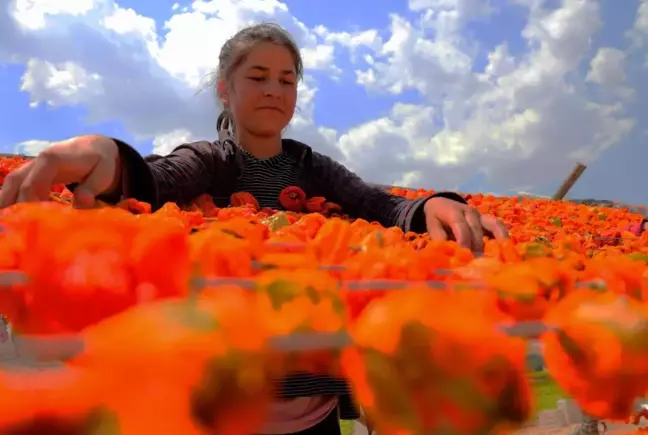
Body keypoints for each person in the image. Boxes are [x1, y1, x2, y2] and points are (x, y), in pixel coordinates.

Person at [0, 23, 510, 435]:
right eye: (258, 76)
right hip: (223, 399)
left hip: (314, 400)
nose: (274, 89)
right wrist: (110, 159)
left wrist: (433, 206)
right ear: (226, 90)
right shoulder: (211, 161)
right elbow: (154, 181)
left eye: (287, 80)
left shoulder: (313, 168)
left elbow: (381, 206)